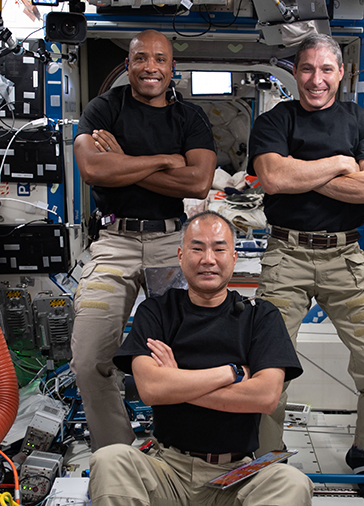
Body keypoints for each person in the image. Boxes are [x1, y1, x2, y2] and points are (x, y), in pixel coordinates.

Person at [248, 33, 364, 471]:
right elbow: (274, 179)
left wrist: (298, 172)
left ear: (341, 73)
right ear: (294, 72)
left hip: (346, 258)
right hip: (286, 255)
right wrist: (341, 163)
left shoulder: (363, 122)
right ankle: (265, 458)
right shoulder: (274, 122)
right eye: (306, 69)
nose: (315, 79)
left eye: (325, 69)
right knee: (267, 366)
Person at [88, 211, 312, 506]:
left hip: (236, 476)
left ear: (233, 257)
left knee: (292, 483)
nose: (208, 259)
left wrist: (176, 383)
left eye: (219, 249)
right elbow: (151, 389)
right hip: (166, 469)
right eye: (197, 248)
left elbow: (265, 396)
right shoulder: (156, 312)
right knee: (110, 459)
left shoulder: (262, 316)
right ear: (181, 256)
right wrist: (232, 372)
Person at [71, 29, 216, 451]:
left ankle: (178, 445)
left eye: (159, 60)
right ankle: (117, 451)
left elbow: (200, 181)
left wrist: (124, 162)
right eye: (140, 59)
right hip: (114, 241)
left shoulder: (190, 119)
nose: (150, 67)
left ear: (172, 68)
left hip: (170, 241)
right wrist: (164, 162)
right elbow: (93, 170)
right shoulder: (103, 109)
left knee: (186, 352)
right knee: (89, 357)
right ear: (128, 65)